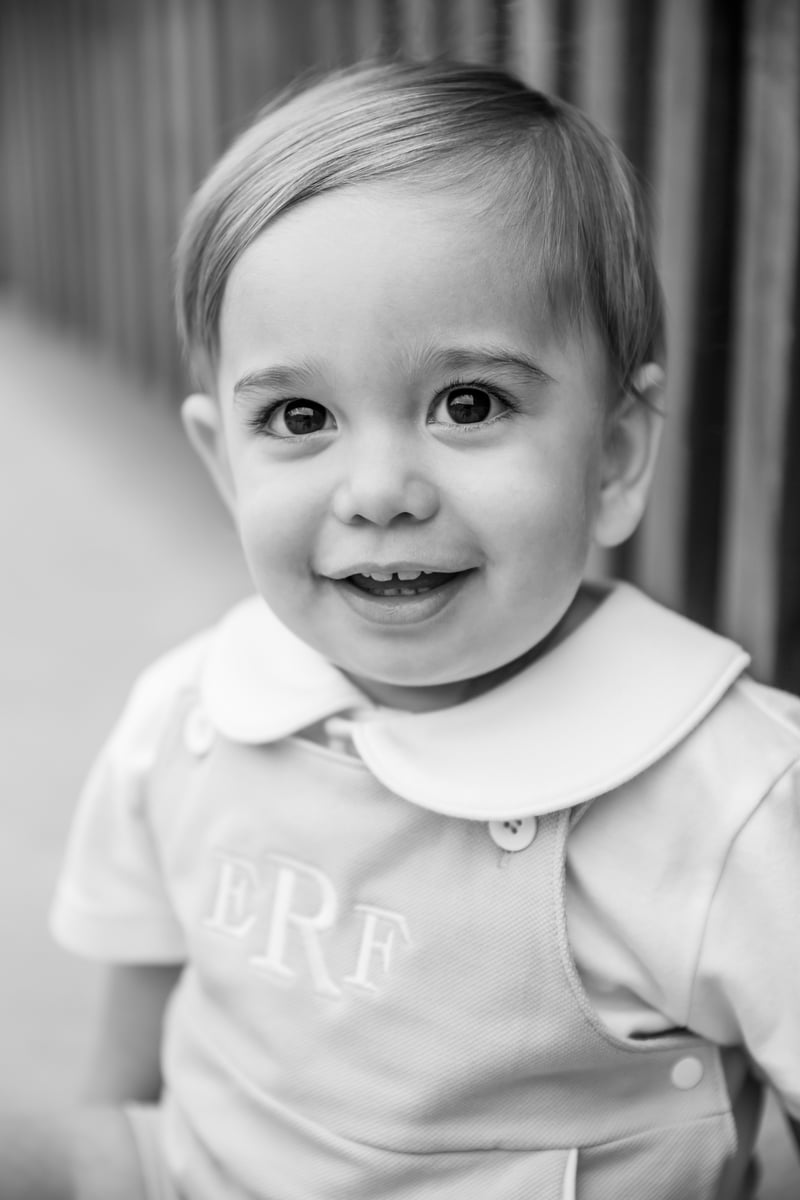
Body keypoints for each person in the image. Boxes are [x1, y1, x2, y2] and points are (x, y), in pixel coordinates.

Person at [15, 59, 800, 1199]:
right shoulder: (191, 719)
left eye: (467, 404)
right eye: (299, 416)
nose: (379, 490)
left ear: (614, 458)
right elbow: (130, 1069)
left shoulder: (729, 804)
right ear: (224, 467)